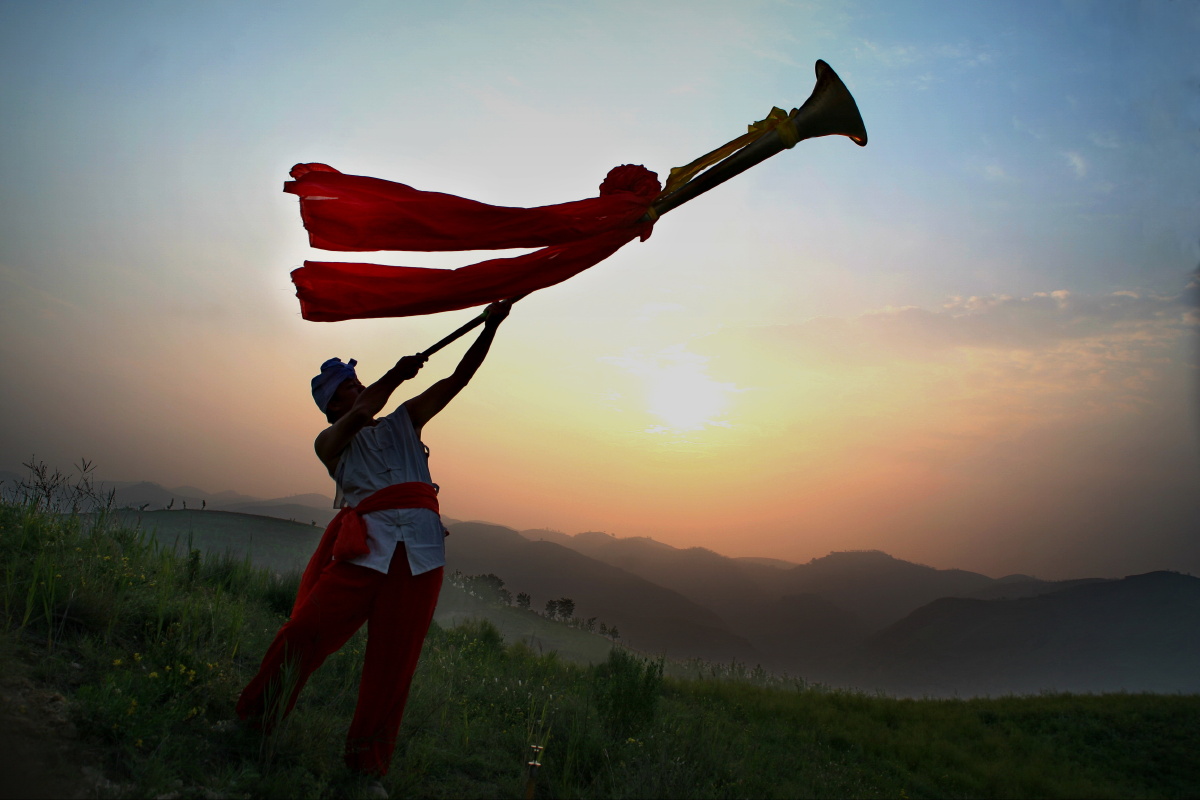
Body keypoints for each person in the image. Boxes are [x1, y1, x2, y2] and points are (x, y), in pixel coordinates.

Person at [236, 300, 512, 786]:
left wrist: (490, 327)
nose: (358, 389)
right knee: (304, 632)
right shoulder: (330, 442)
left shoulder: (406, 421)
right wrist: (395, 374)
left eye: (356, 382)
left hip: (420, 554)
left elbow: (456, 380)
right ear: (333, 405)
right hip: (365, 552)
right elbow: (366, 409)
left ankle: (366, 768)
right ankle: (255, 721)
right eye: (348, 387)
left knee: (393, 665)